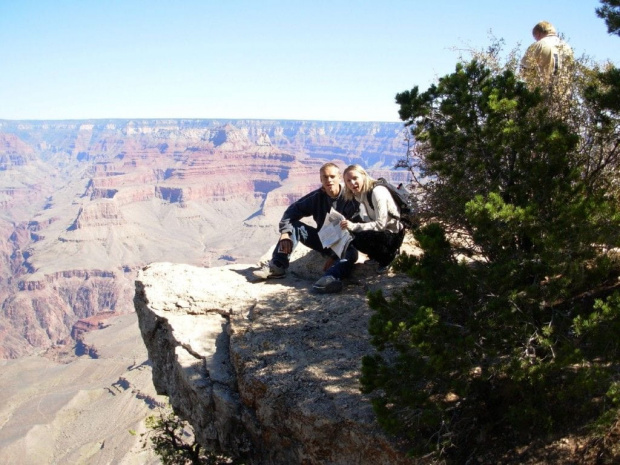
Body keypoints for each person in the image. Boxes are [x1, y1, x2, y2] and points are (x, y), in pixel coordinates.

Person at [253, 162, 360, 294]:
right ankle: (278, 265)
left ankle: (329, 279)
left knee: (351, 254)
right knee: (295, 227)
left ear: (339, 177)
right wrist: (285, 233)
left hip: (345, 243)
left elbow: (355, 228)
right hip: (325, 240)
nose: (329, 180)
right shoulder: (317, 197)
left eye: (332, 176)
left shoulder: (350, 198)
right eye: (325, 177)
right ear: (321, 179)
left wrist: (333, 255)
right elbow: (291, 212)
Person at [339, 164, 404, 274]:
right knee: (352, 232)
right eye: (348, 181)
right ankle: (376, 256)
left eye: (355, 178)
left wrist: (354, 226)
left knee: (359, 238)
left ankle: (388, 258)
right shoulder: (361, 194)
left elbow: (380, 224)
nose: (352, 183)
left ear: (363, 176)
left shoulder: (376, 192)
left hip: (394, 233)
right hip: (385, 231)